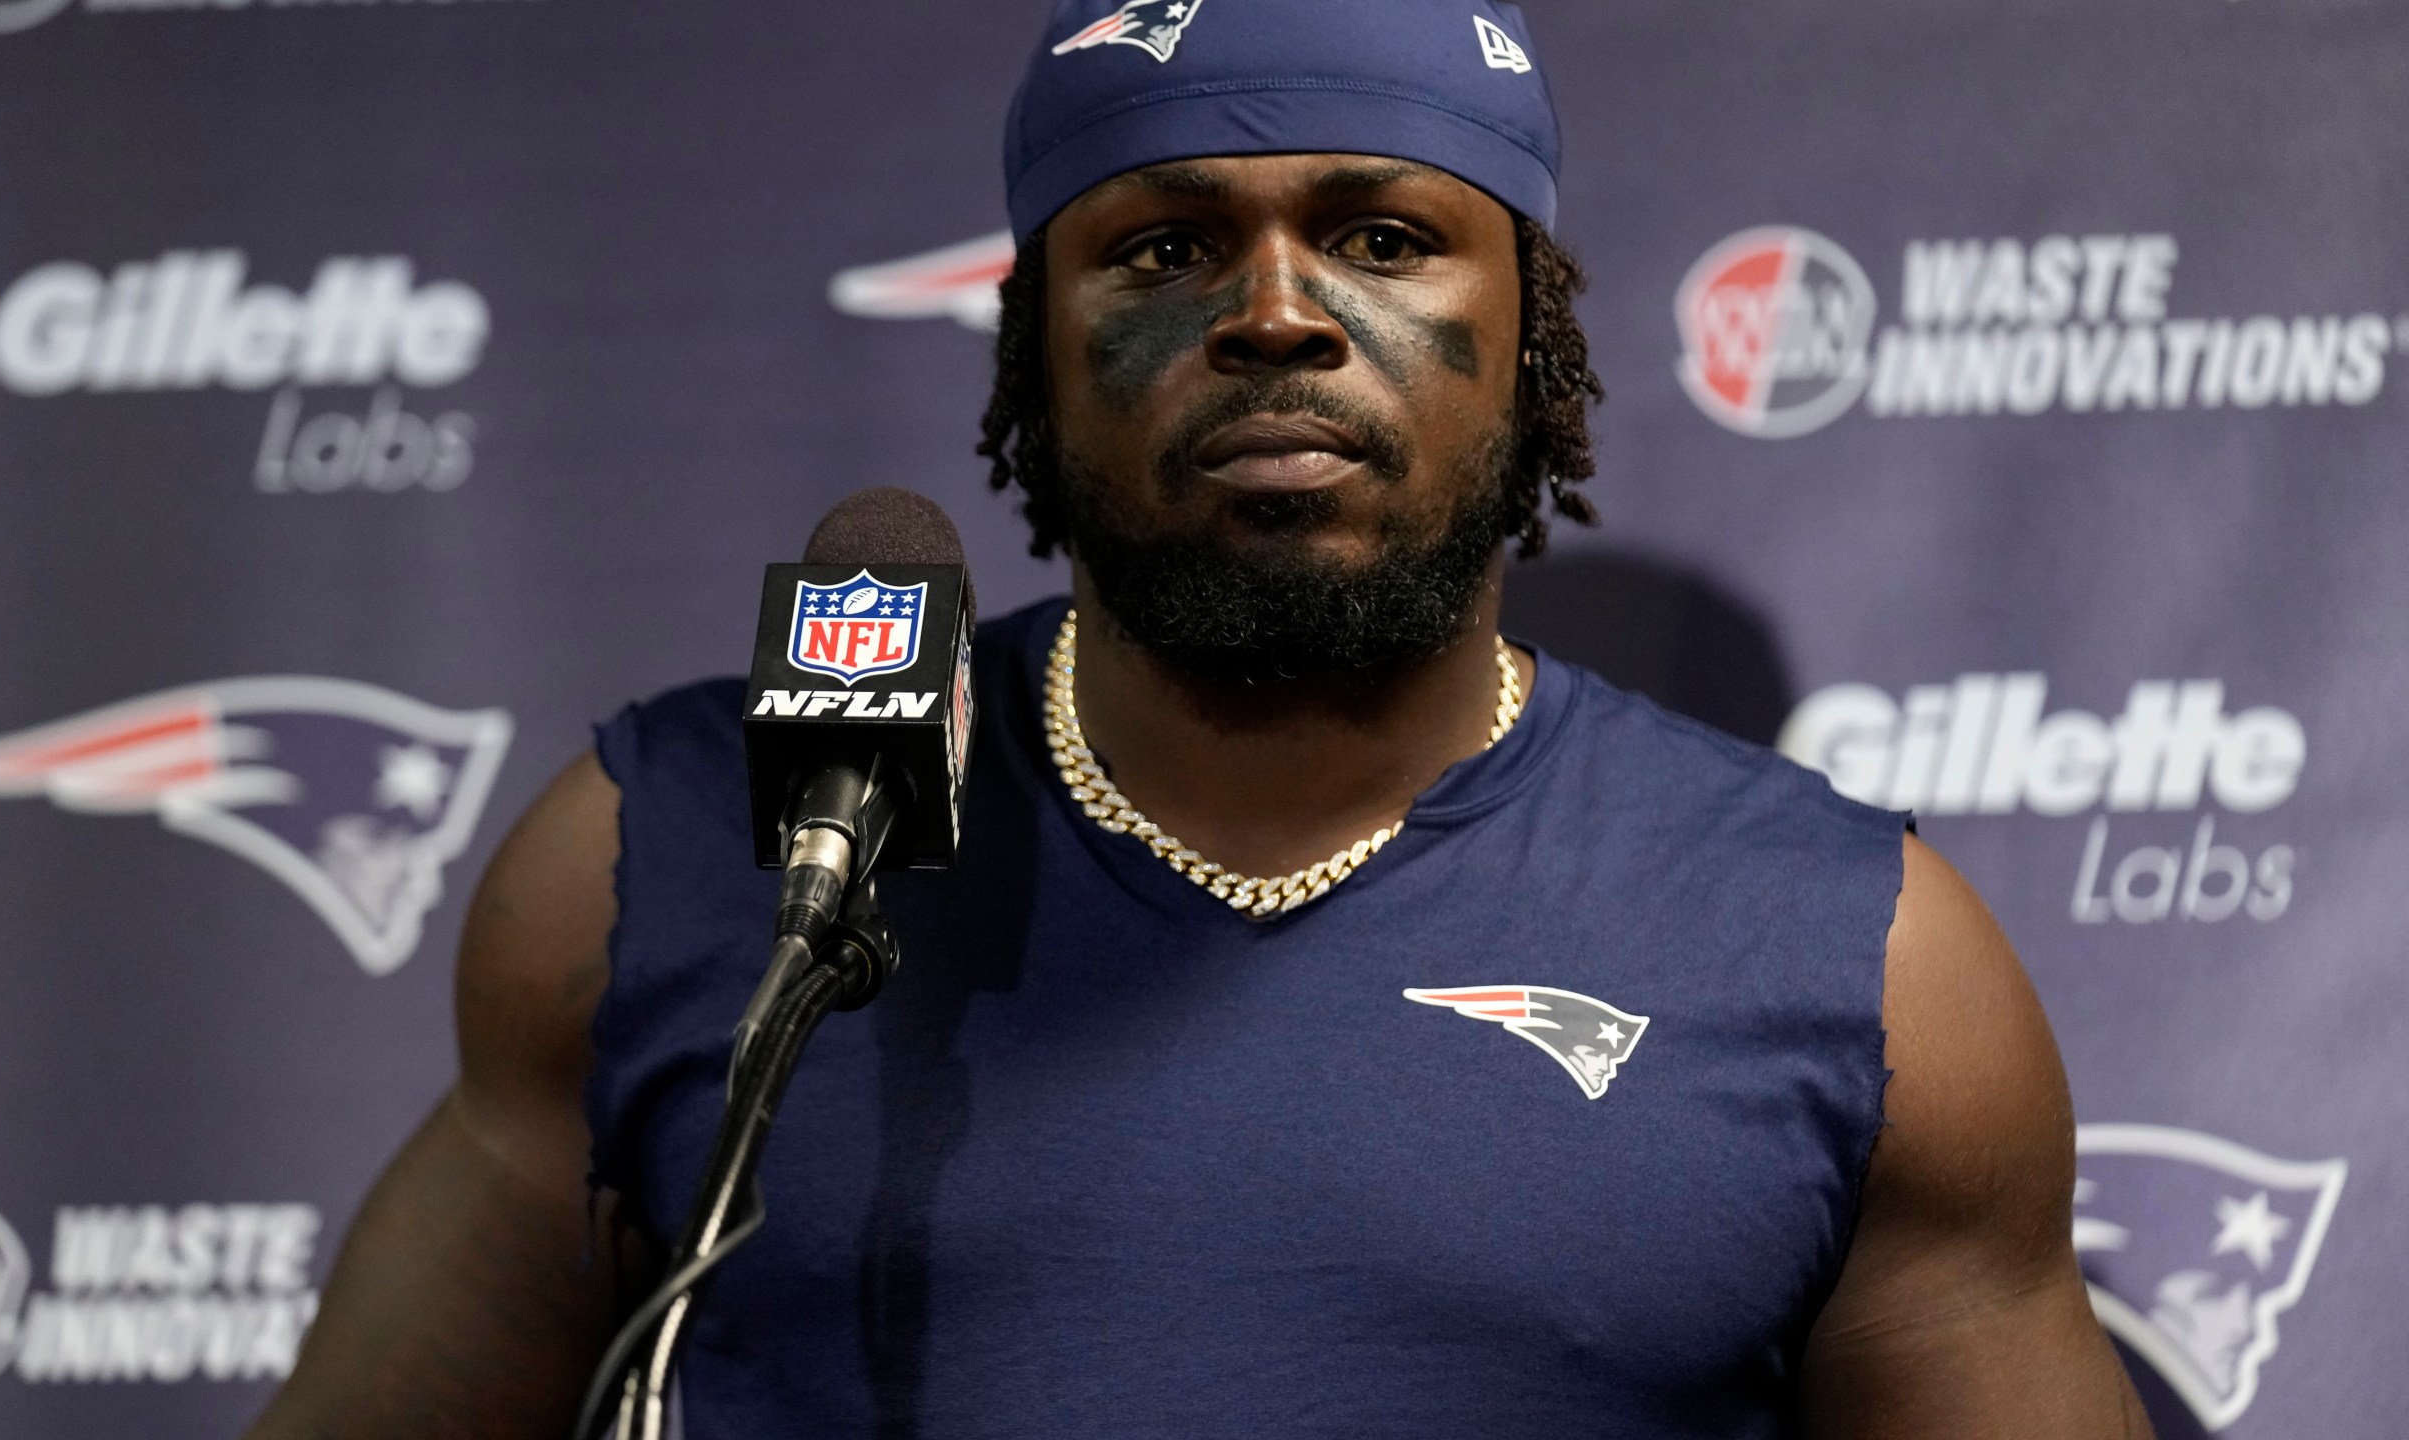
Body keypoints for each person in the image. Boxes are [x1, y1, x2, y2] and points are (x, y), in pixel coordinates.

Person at [249, 2, 2154, 1435]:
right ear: (1034, 352)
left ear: (1538, 333)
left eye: (1386, 239)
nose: (1275, 314)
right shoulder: (670, 844)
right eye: (1162, 249)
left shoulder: (1857, 954)